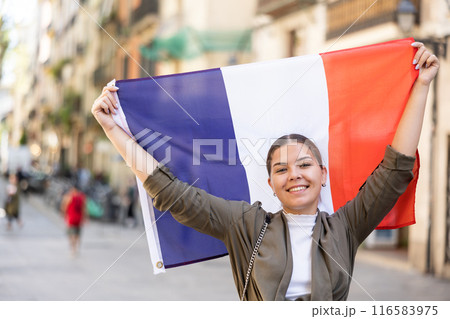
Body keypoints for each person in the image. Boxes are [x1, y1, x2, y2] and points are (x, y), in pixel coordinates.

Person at [91, 42, 439, 300]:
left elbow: (395, 170)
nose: (295, 175)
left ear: (323, 173)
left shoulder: (346, 226)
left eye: (304, 165)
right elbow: (171, 193)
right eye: (282, 169)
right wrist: (112, 128)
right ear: (271, 184)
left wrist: (422, 85)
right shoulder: (246, 225)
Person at [61, 184, 87, 257]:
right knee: (77, 234)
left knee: (71, 234)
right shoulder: (82, 197)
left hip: (71, 218)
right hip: (79, 218)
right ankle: (75, 248)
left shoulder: (69, 197)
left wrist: (64, 215)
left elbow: (64, 206)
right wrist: (85, 218)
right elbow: (84, 209)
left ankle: (72, 248)